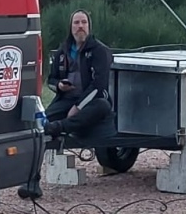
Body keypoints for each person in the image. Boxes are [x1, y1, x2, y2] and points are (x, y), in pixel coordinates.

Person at [18, 10, 114, 200]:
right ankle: (31, 182)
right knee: (39, 127)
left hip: (91, 101)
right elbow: (51, 79)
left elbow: (99, 86)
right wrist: (60, 86)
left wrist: (78, 106)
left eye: (84, 22)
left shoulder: (99, 51)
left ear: (89, 26)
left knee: (102, 105)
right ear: (71, 27)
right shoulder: (63, 51)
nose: (80, 26)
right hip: (66, 99)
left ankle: (60, 127)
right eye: (76, 23)